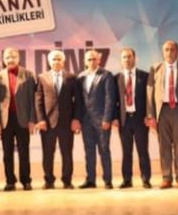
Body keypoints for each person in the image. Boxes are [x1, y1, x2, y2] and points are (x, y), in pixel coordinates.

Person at [147, 40, 178, 189]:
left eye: (172, 49)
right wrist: (151, 115)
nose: (169, 52)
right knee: (164, 146)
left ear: (177, 51)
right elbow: (150, 94)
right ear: (163, 52)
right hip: (162, 112)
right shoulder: (155, 68)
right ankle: (166, 177)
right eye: (167, 50)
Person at [0, 47, 37, 191]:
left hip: (23, 119)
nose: (10, 60)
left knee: (24, 152)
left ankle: (26, 180)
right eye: (7, 57)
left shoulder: (28, 75)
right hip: (5, 120)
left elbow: (33, 100)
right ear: (3, 60)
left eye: (13, 57)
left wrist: (32, 120)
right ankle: (10, 181)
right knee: (7, 153)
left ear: (19, 58)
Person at [35, 50, 79, 189]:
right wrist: (41, 120)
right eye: (54, 59)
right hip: (48, 123)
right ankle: (49, 180)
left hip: (67, 123)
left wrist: (75, 119)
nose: (56, 61)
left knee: (67, 154)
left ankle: (67, 180)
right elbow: (38, 101)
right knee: (48, 154)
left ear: (63, 61)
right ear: (49, 62)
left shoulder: (72, 77)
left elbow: (77, 101)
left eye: (59, 59)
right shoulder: (42, 77)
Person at [75, 50, 115, 189]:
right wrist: (78, 120)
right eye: (89, 59)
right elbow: (79, 101)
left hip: (102, 120)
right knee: (89, 151)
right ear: (85, 61)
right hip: (86, 121)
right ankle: (90, 180)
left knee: (104, 150)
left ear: (99, 60)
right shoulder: (80, 77)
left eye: (94, 59)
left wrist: (107, 118)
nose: (91, 61)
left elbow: (110, 98)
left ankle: (108, 180)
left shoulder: (106, 75)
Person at [114, 47, 151, 189]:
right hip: (124, 120)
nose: (127, 59)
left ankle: (146, 179)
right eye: (124, 57)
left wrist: (149, 115)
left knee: (143, 151)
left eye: (129, 56)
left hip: (140, 119)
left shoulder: (145, 76)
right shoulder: (116, 78)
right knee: (126, 152)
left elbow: (149, 99)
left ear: (135, 58)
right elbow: (114, 101)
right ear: (121, 60)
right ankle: (127, 180)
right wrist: (115, 118)